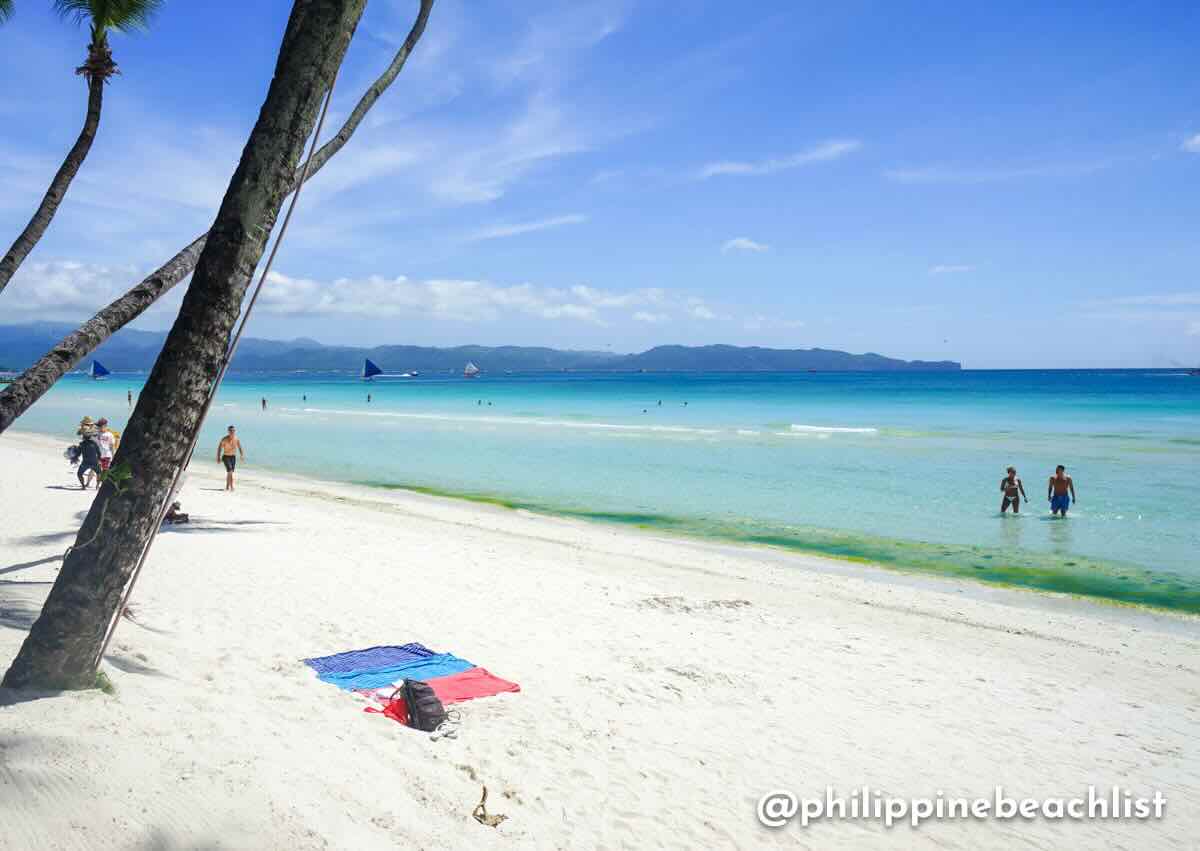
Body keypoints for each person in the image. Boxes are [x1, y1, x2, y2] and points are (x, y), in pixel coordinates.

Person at [217, 425, 245, 492]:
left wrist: (242, 455)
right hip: (226, 457)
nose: (232, 432)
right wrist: (218, 457)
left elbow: (240, 447)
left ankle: (227, 487)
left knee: (230, 472)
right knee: (230, 471)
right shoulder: (224, 439)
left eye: (233, 431)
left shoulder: (236, 439)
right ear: (228, 431)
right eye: (231, 431)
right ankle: (231, 487)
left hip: (233, 457)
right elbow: (219, 449)